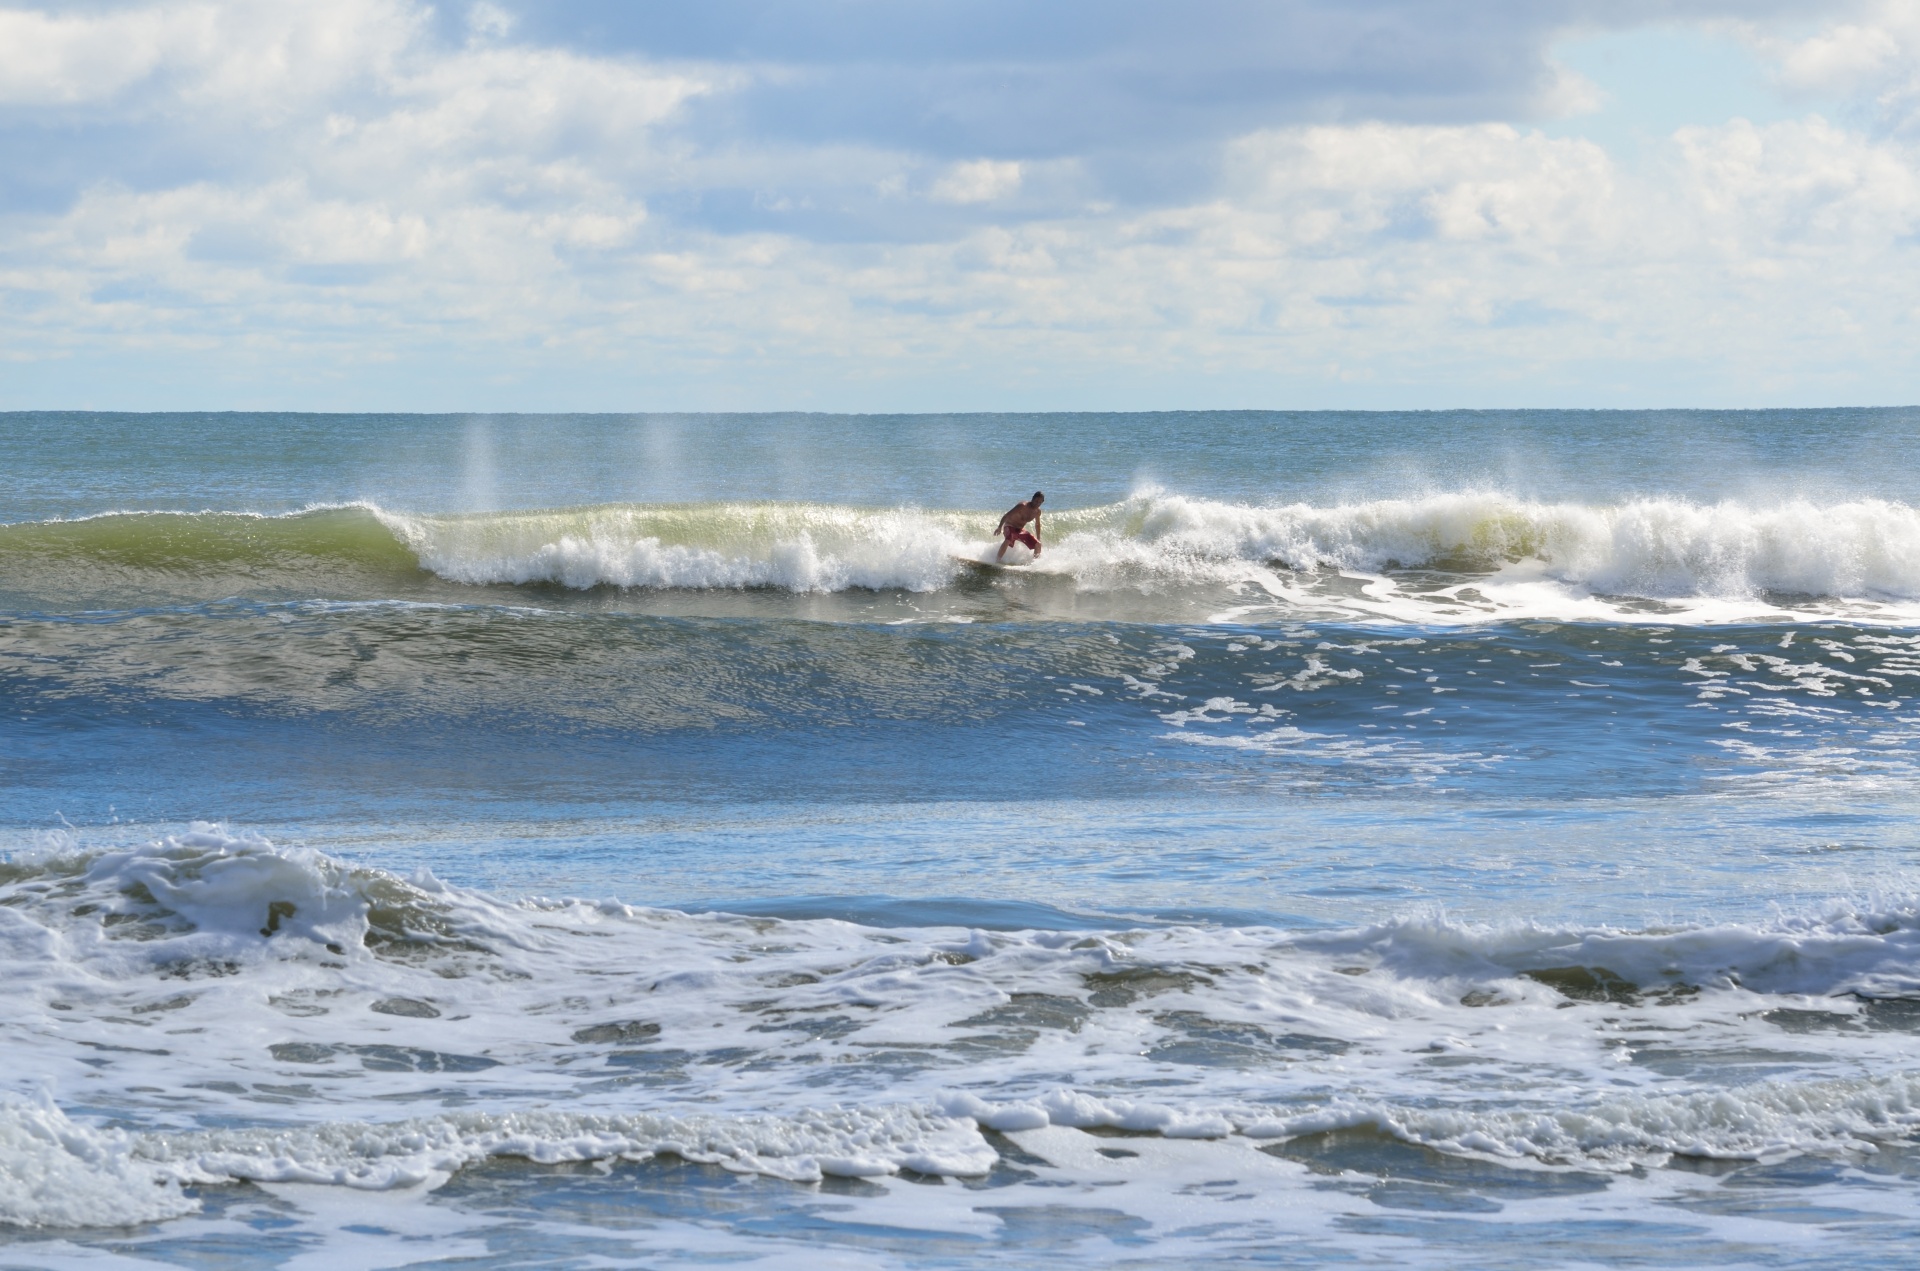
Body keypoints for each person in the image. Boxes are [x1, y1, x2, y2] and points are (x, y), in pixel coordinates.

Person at [995, 491, 1044, 561]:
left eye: (1040, 502)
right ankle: (997, 560)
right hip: (1009, 526)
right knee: (1008, 538)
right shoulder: (1022, 506)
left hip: (1020, 530)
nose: (1037, 504)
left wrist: (1039, 538)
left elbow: (1037, 524)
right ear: (1032, 499)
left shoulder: (1037, 512)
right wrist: (999, 527)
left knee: (1038, 544)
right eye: (1036, 501)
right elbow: (1006, 515)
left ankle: (1034, 564)